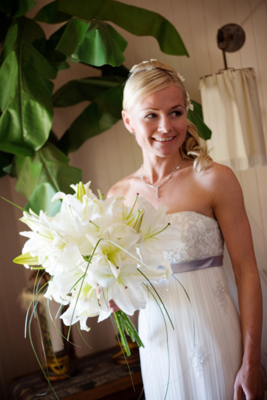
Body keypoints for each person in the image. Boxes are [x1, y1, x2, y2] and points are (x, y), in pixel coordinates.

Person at [107, 60, 264, 400]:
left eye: (175, 112)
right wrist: (107, 294)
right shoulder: (117, 197)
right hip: (158, 342)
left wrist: (251, 362)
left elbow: (247, 271)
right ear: (128, 120)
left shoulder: (213, 178)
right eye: (151, 115)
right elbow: (121, 284)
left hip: (215, 334)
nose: (166, 126)